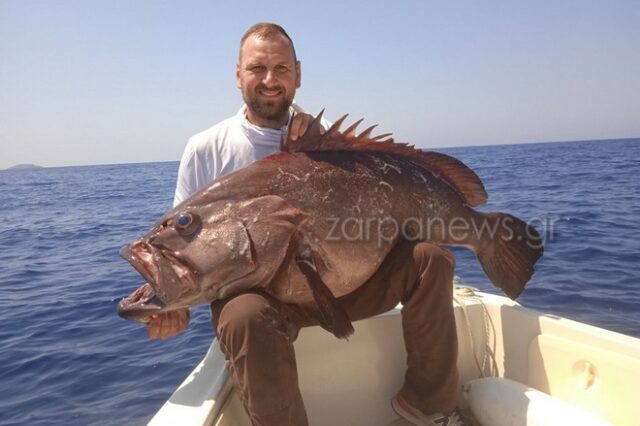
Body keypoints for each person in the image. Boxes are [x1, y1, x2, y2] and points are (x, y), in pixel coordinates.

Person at [144, 22, 475, 426]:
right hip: (266, 300)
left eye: (281, 69)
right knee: (243, 315)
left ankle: (429, 405)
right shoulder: (206, 149)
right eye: (257, 68)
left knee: (430, 259)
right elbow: (186, 245)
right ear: (237, 74)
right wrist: (171, 301)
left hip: (344, 283)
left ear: (298, 73)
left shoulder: (326, 143)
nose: (270, 80)